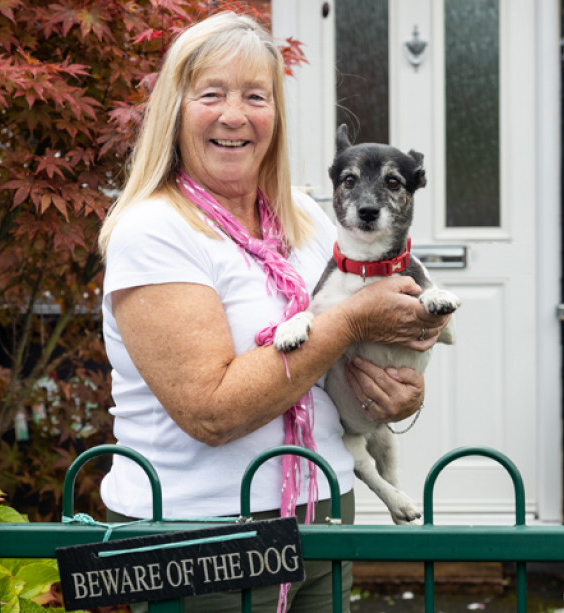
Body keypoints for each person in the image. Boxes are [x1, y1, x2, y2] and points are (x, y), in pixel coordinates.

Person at [97, 11, 450, 612]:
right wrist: (351, 321)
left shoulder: (310, 217)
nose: (235, 115)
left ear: (276, 117)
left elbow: (360, 366)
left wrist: (399, 399)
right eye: (212, 93)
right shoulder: (153, 231)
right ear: (175, 111)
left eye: (255, 96)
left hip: (325, 516)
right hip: (201, 537)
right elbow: (210, 412)